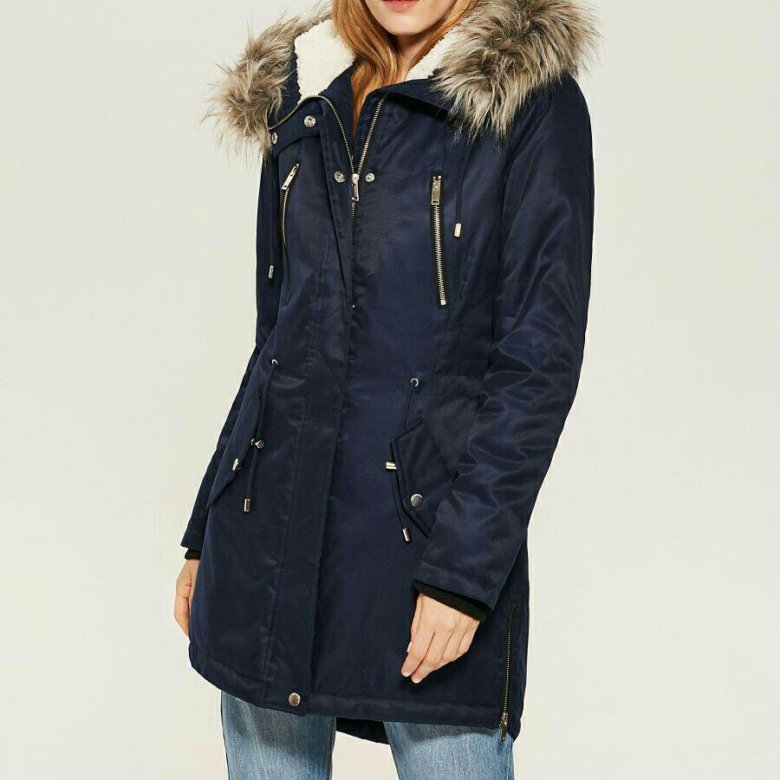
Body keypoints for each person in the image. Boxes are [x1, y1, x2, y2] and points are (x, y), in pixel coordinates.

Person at [174, 0, 596, 776]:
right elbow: (278, 342)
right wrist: (207, 528)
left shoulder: (528, 101)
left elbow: (537, 365)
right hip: (267, 542)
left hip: (424, 545)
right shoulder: (303, 95)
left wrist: (463, 578)